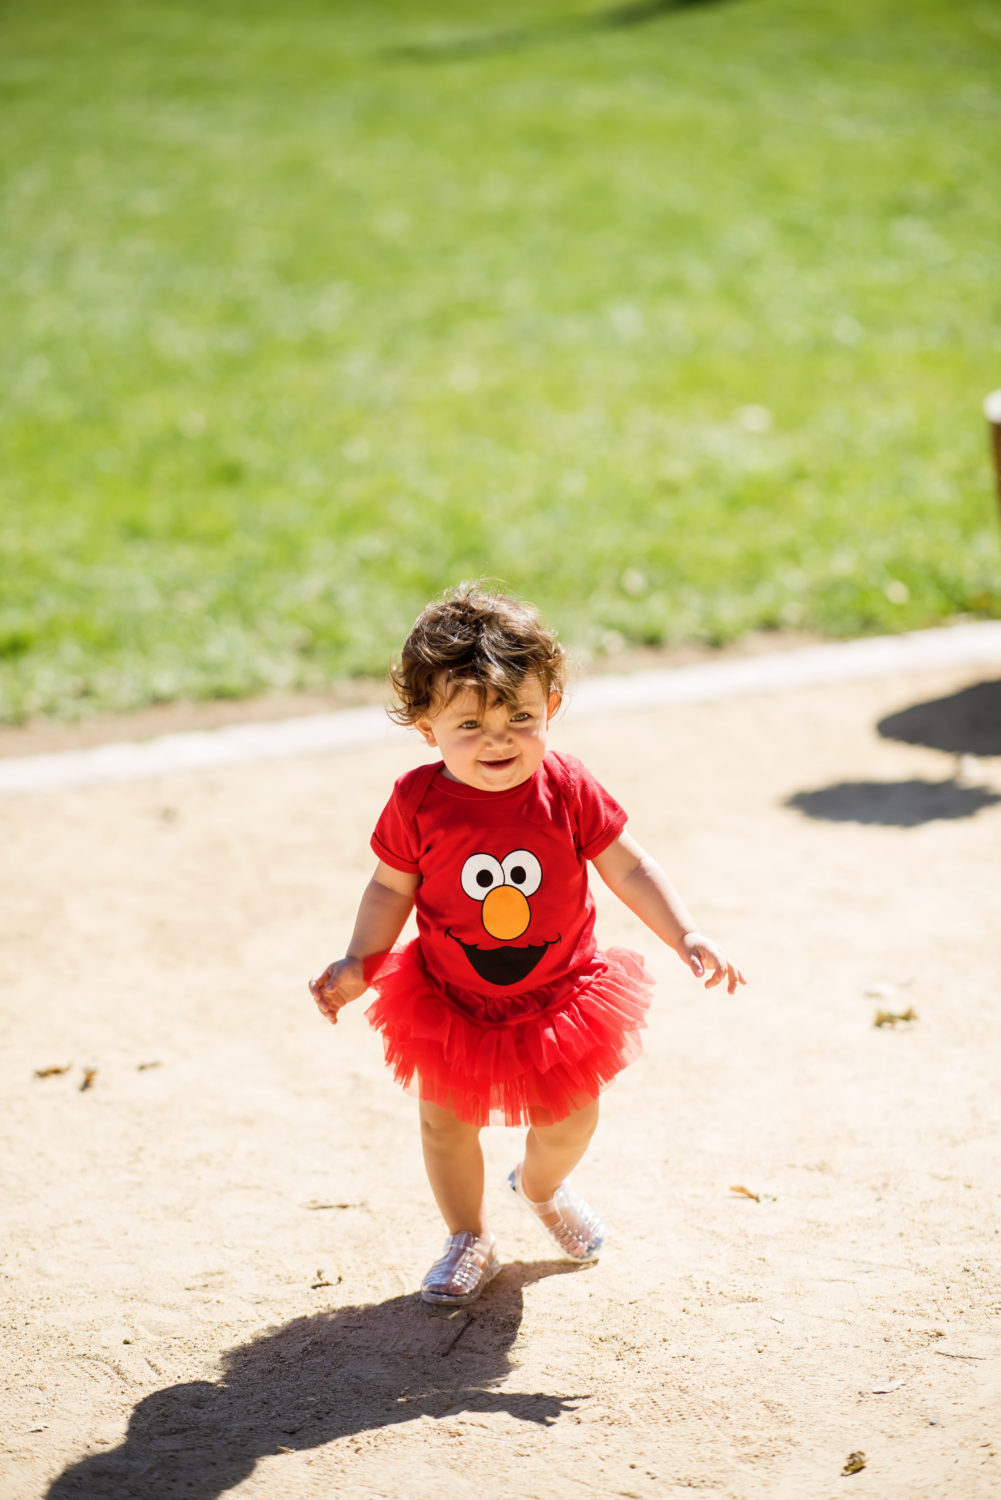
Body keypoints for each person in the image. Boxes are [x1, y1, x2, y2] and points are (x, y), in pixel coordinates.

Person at [309, 584, 745, 1308]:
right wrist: (361, 959)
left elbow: (627, 865)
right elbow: (390, 889)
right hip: (451, 998)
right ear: (426, 729)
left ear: (552, 707)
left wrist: (684, 931)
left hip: (559, 998)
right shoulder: (418, 802)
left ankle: (538, 1188)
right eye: (470, 724)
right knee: (445, 1122)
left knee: (570, 1118)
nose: (499, 739)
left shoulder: (566, 787)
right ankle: (467, 1235)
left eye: (520, 716)